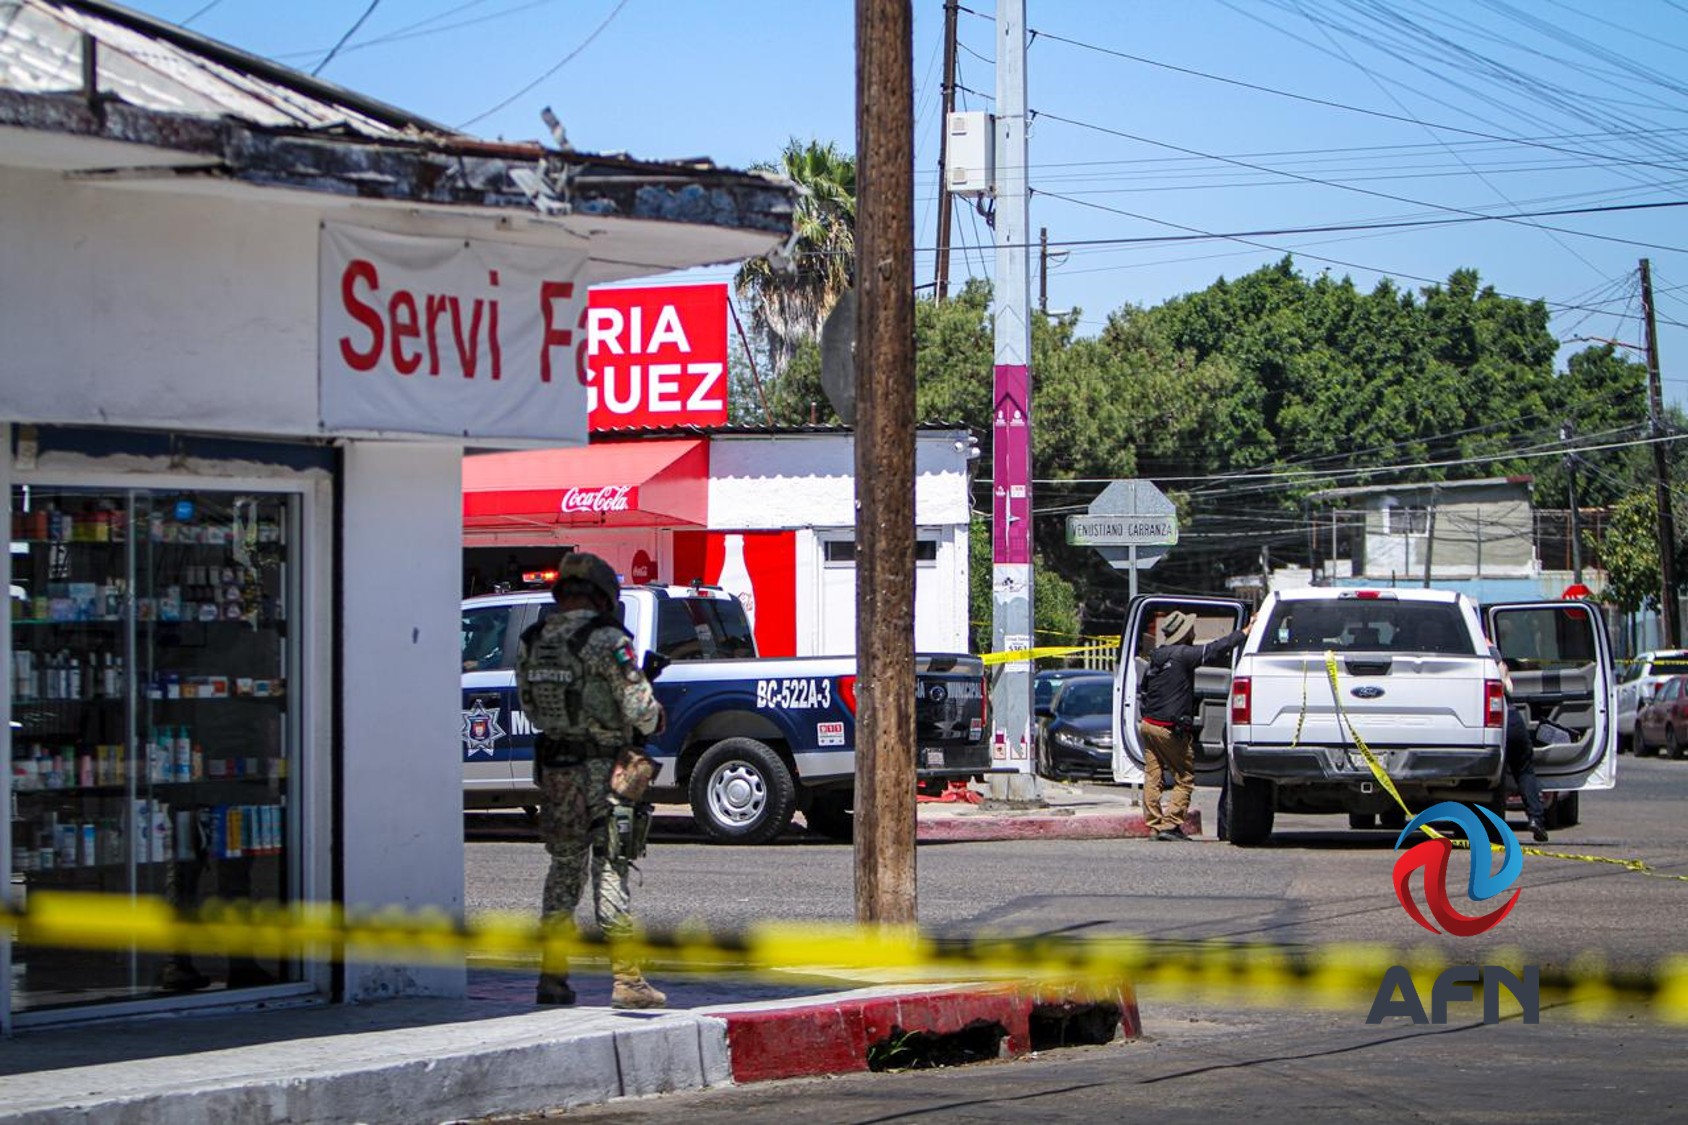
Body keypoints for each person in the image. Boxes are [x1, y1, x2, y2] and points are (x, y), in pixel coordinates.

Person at [517, 552, 666, 1009]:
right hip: (606, 772)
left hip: (557, 771)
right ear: (604, 596)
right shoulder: (608, 640)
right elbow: (641, 710)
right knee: (610, 867)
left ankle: (552, 975)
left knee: (563, 870)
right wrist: (655, 716)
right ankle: (627, 979)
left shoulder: (533, 639)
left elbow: (530, 707)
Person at [1137, 610, 1249, 841]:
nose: (1194, 630)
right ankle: (1171, 825)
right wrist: (1245, 632)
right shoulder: (1184, 655)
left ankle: (1155, 825)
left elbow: (1145, 690)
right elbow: (1217, 648)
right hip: (1169, 728)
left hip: (1148, 725)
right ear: (1186, 632)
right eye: (1191, 628)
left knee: (1153, 776)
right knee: (1184, 777)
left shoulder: (1157, 656)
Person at [1498, 654, 1551, 843]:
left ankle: (1494, 824)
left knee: (1494, 775)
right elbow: (1508, 686)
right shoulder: (1496, 660)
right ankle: (1536, 818)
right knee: (1524, 771)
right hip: (1512, 718)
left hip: (1490, 720)